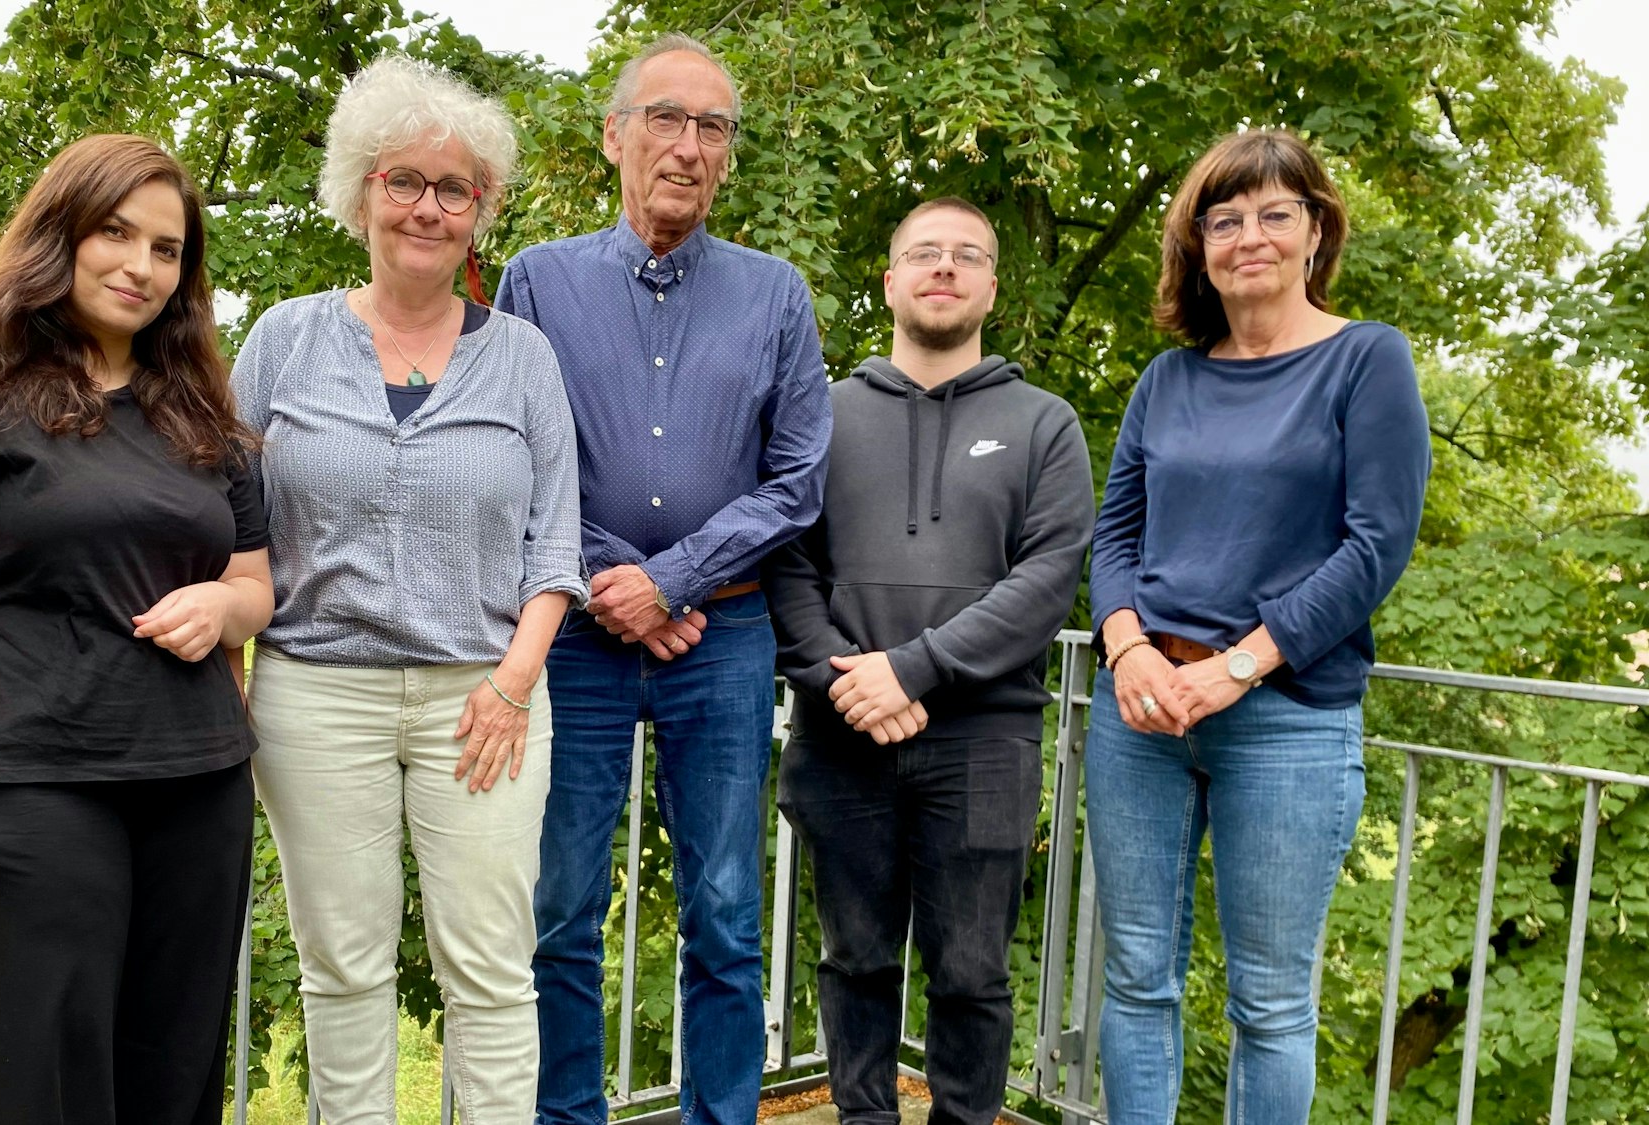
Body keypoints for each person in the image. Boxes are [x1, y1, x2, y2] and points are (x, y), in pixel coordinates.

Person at [0, 134, 272, 1125]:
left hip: (197, 778)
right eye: (115, 232)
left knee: (174, 1074)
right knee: (35, 1075)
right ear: (60, 235)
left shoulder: (202, 415)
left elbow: (256, 583)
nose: (139, 265)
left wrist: (223, 606)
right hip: (30, 776)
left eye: (166, 249)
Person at [230, 55, 585, 1125]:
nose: (427, 207)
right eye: (404, 181)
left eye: (454, 188)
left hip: (484, 697)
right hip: (312, 694)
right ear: (358, 192)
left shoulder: (523, 358)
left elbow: (554, 541)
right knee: (342, 969)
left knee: (489, 971)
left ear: (481, 211)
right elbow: (226, 517)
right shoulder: (283, 340)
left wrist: (514, 684)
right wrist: (234, 663)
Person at [495, 31, 833, 1125]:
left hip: (723, 641)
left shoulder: (776, 295)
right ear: (613, 136)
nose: (686, 146)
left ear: (728, 155)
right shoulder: (536, 281)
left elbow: (797, 482)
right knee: (559, 909)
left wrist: (675, 580)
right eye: (664, 119)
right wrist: (615, 587)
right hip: (576, 644)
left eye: (710, 127)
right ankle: (565, 1117)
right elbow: (515, 456)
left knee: (726, 913)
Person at [1085, 128, 1431, 1124]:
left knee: (1270, 1004)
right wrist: (1127, 649)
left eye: (1273, 215)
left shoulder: (1366, 360)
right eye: (1223, 220)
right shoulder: (1168, 380)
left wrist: (1235, 667)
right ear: (1196, 245)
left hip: (1285, 718)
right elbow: (1111, 539)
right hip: (1139, 715)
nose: (1248, 237)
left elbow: (1372, 548)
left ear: (1315, 231)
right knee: (1134, 978)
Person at [767, 196, 1094, 1124]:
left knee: (971, 972)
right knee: (854, 959)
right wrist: (843, 677)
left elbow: (1048, 577)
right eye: (923, 253)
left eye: (966, 255)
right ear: (890, 279)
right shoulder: (819, 416)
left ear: (992, 284)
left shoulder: (1044, 423)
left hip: (985, 743)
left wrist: (913, 669)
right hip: (840, 735)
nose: (943, 268)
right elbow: (787, 562)